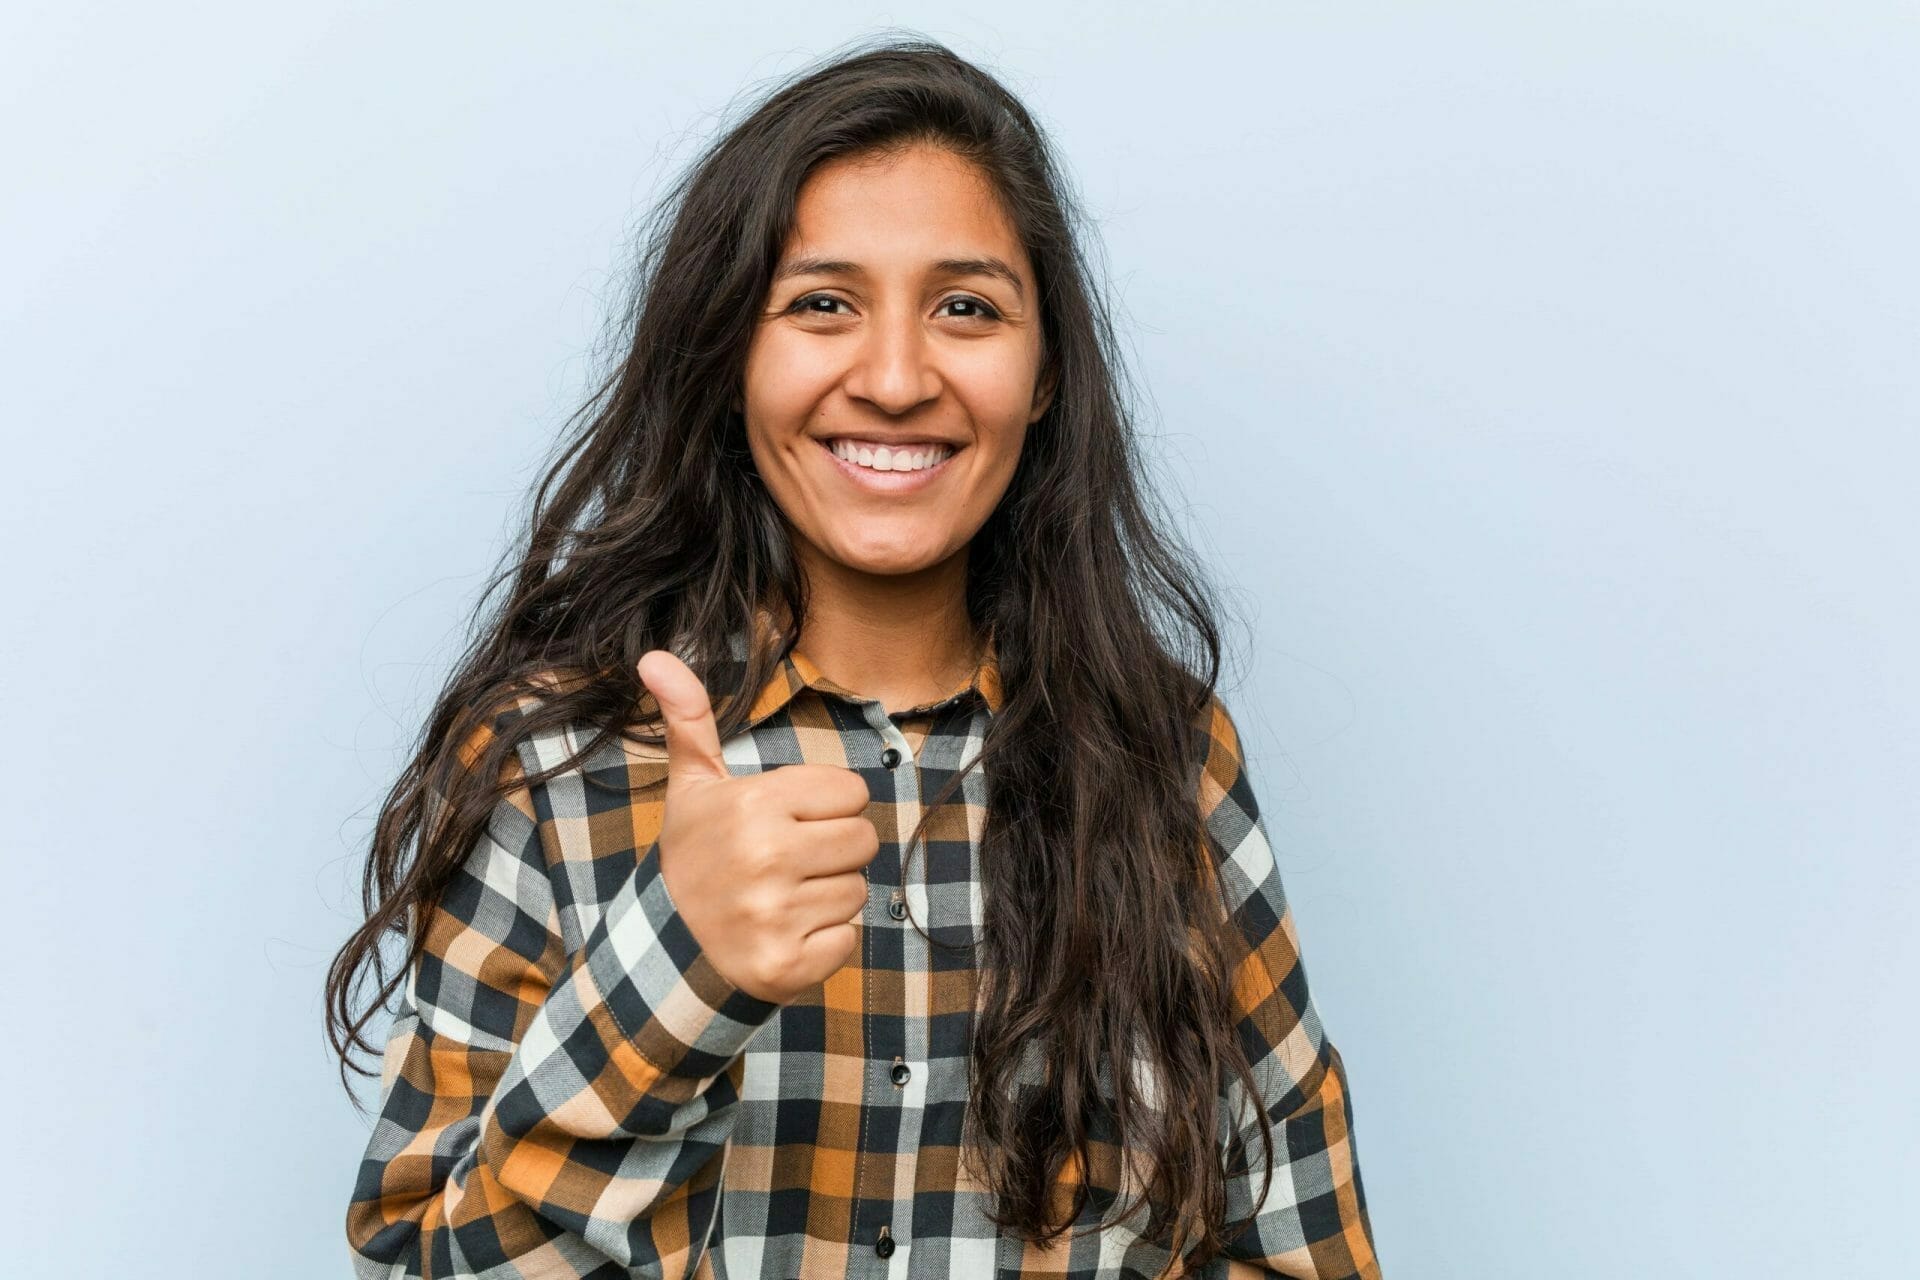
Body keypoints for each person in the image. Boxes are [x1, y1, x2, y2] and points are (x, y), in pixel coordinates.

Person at [328, 35, 1380, 1280]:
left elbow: (1299, 1251)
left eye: (967, 308)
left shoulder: (1165, 758)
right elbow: (415, 1262)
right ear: (731, 355)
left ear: (1044, 378)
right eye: (823, 303)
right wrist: (674, 972)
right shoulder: (560, 758)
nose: (893, 377)